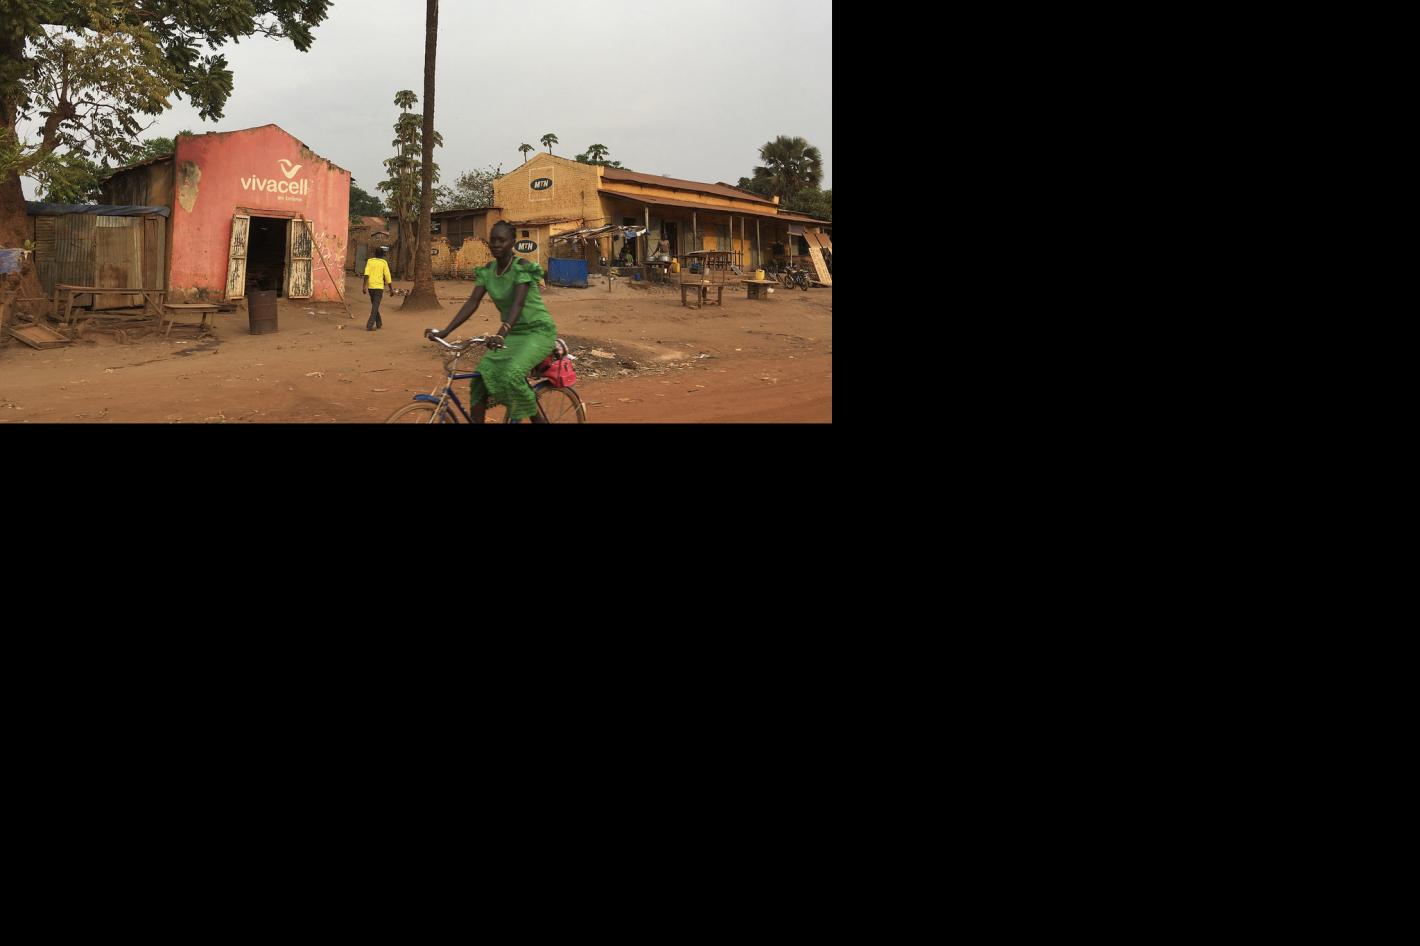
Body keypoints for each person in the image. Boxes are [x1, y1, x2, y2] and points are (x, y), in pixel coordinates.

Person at [426, 221, 557, 423]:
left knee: (511, 374)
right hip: (511, 335)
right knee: (480, 380)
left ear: (512, 242)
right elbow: (472, 302)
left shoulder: (521, 268)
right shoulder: (488, 271)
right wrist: (446, 331)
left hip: (537, 333)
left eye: (501, 240)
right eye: (493, 240)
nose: (496, 244)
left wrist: (501, 334)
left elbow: (518, 304)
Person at [362, 246, 393, 331]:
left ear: (375, 254)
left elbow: (366, 274)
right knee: (375, 306)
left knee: (375, 306)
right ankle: (370, 325)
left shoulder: (370, 261)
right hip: (379, 288)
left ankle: (379, 323)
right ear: (383, 255)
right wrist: (391, 289)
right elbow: (387, 276)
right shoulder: (384, 263)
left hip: (371, 287)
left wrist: (364, 286)